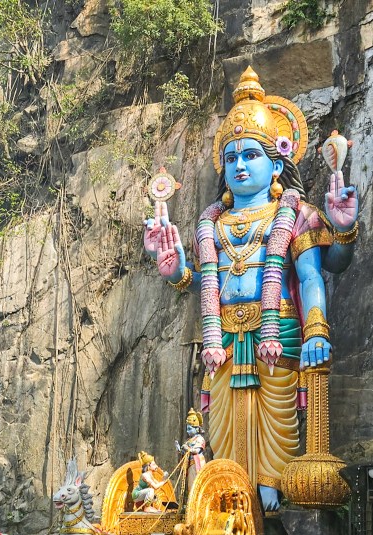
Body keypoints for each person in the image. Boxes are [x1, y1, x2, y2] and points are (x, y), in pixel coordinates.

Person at [142, 67, 358, 512]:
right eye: (232, 157)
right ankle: (230, 486)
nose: (239, 166)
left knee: (275, 412)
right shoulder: (211, 224)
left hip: (277, 328)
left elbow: (317, 273)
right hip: (220, 336)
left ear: (277, 162)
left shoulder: (295, 213)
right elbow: (207, 282)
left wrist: (317, 326)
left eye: (251, 156)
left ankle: (272, 484)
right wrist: (177, 272)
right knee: (221, 418)